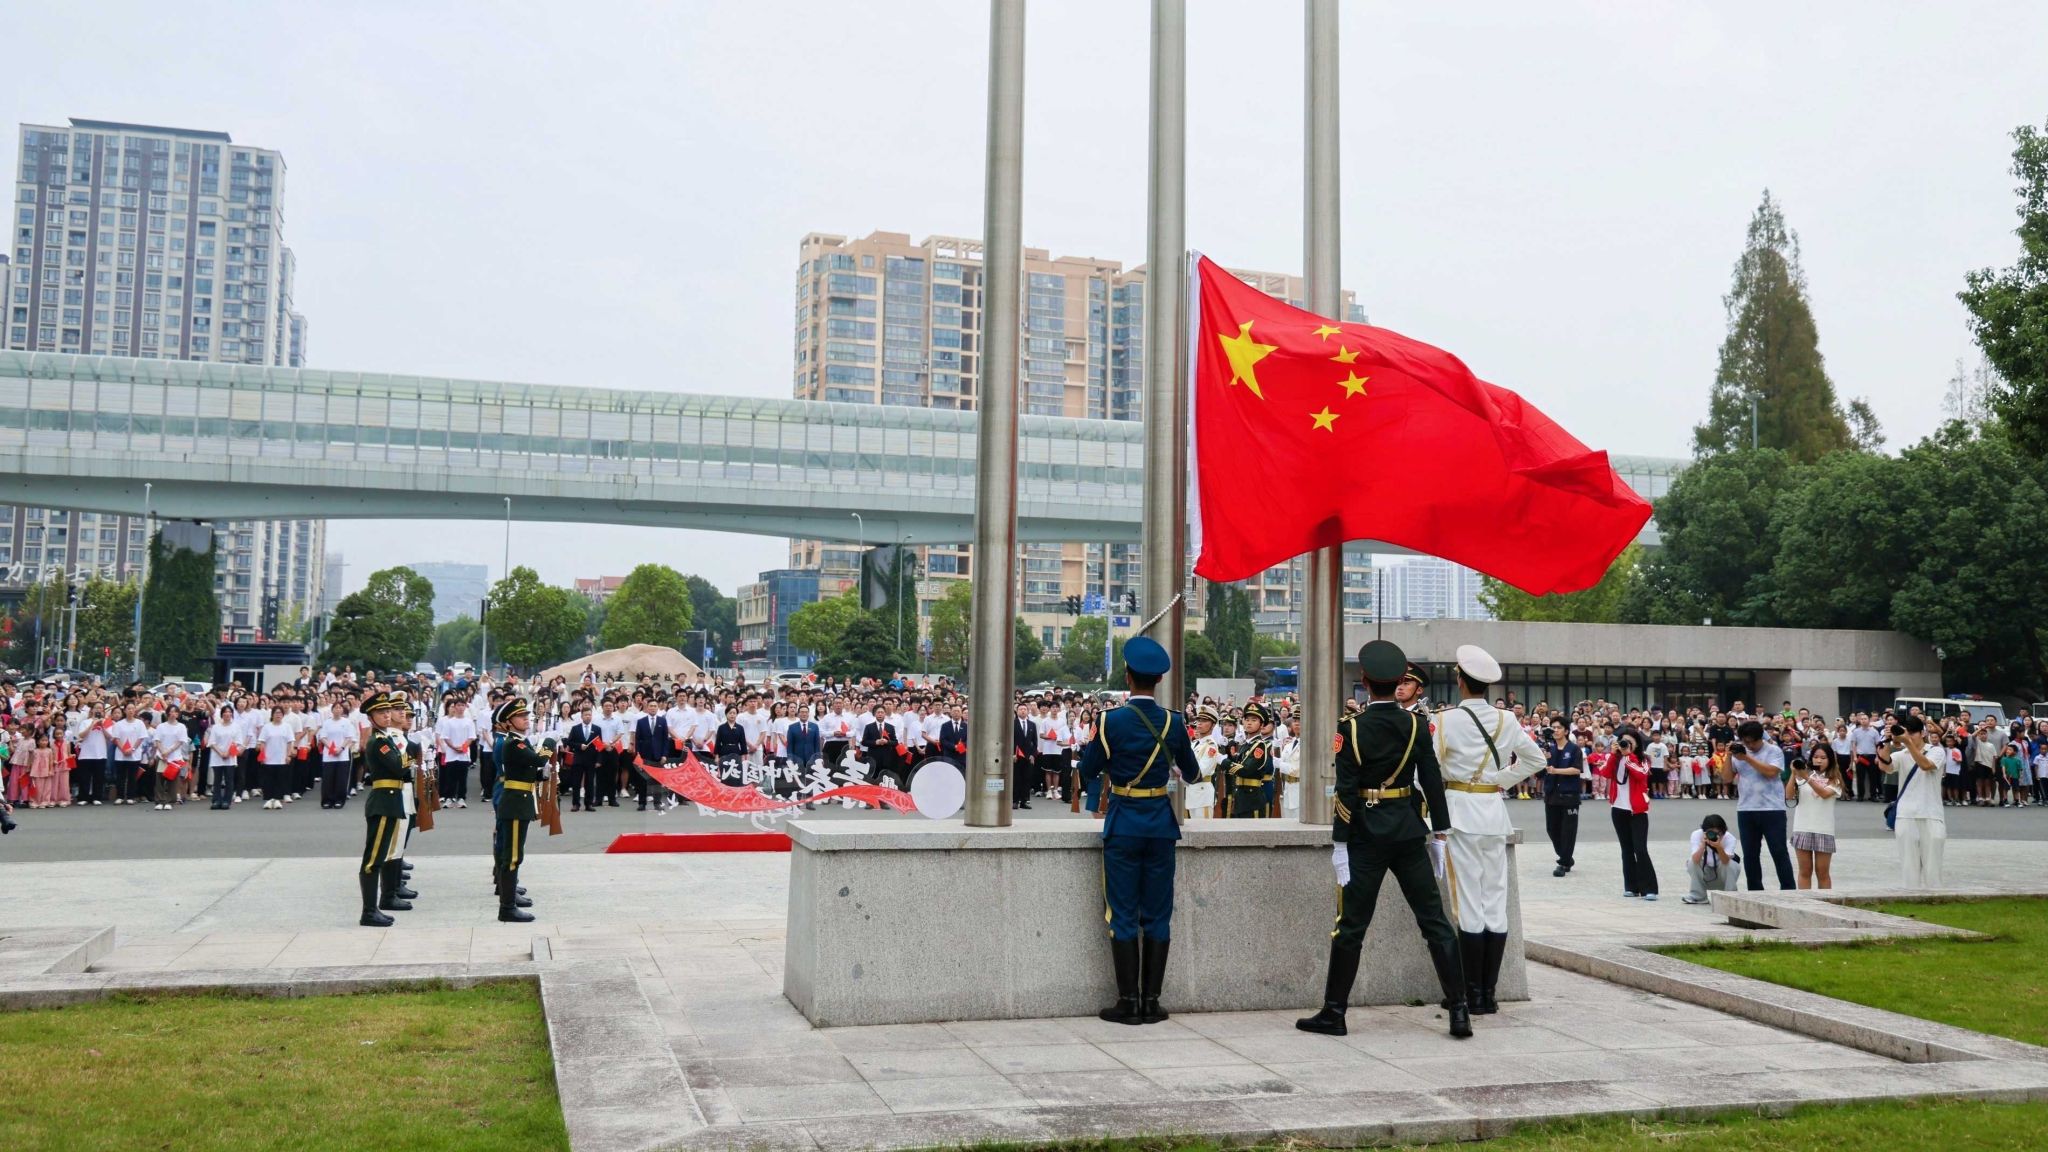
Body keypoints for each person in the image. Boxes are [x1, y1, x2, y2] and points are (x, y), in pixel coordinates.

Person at [1298, 640, 1470, 1041]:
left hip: (1366, 836)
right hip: (1408, 831)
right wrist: (1439, 832)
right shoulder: (1417, 725)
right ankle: (1459, 1010)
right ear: (1397, 683)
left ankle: (1335, 1012)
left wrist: (1340, 843)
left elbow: (1346, 791)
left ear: (1364, 681)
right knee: (1435, 922)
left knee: (1350, 927)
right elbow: (1431, 780)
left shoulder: (1351, 728)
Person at [1080, 636, 1201, 1027]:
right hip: (1161, 825)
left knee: (1122, 914)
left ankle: (1128, 1002)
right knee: (1158, 914)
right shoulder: (1174, 722)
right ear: (1159, 680)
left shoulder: (1109, 721)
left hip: (1124, 824)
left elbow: (1088, 769)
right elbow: (1193, 773)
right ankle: (1152, 1002)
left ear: (1127, 676)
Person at [1433, 644, 1547, 1014]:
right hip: (1493, 814)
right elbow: (1535, 759)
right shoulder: (1506, 720)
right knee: (1495, 901)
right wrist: (1500, 779)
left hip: (1460, 813)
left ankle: (1472, 994)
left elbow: (1429, 769)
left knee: (1468, 902)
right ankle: (1489, 993)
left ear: (1460, 681)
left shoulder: (1446, 720)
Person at [357, 692, 414, 927]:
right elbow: (398, 766)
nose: (387, 715)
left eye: (388, 711)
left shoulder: (386, 738)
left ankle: (373, 909)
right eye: (381, 712)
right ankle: (369, 911)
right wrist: (413, 753)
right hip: (382, 801)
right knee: (373, 859)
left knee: (380, 856)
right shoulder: (379, 741)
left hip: (391, 800)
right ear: (371, 717)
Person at [1722, 719, 1794, 890]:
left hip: (1772, 809)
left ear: (1761, 737)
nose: (1748, 745)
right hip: (1746, 809)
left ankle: (1788, 889)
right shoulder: (1738, 752)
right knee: (1750, 854)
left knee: (1778, 851)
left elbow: (1771, 772)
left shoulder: (1774, 751)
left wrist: (1746, 758)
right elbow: (1726, 778)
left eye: (1751, 742)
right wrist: (1729, 756)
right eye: (1745, 742)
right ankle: (1755, 891)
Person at [492, 698, 543, 923]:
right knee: (512, 856)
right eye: (520, 716)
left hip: (519, 803)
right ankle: (507, 907)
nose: (526, 719)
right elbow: (538, 760)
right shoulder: (513, 743)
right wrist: (549, 743)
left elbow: (528, 770)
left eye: (526, 715)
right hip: (514, 804)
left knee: (513, 855)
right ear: (508, 722)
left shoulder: (519, 741)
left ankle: (509, 901)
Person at [1891, 713, 1945, 888]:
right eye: (1906, 732)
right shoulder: (1901, 754)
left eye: (1912, 733)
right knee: (1909, 868)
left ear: (1922, 733)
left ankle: (1935, 898)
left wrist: (1907, 743)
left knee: (1933, 869)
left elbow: (1926, 765)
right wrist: (1885, 744)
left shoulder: (1936, 751)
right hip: (1905, 815)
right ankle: (1909, 897)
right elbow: (1886, 766)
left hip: (1931, 814)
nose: (1909, 736)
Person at [1604, 729, 1657, 899]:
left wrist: (1628, 756)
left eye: (1629, 742)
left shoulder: (1644, 759)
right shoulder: (1615, 757)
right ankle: (1631, 887)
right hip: (1618, 808)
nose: (1625, 744)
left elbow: (1641, 775)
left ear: (1637, 744)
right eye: (1622, 741)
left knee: (1640, 849)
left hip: (1638, 810)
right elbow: (1605, 773)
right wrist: (1614, 755)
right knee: (1626, 849)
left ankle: (1649, 888)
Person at [1789, 748, 1844, 889]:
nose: (1819, 760)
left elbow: (1824, 794)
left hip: (1823, 829)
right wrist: (1794, 773)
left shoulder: (1835, 780)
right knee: (1804, 871)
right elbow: (1788, 796)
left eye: (1823, 758)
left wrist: (1807, 778)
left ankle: (1826, 900)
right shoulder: (1802, 777)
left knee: (1822, 873)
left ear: (1830, 760)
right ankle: (1804, 900)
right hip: (1802, 827)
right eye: (1816, 757)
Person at [1541, 718, 1584, 877]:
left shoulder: (1574, 749)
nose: (1555, 730)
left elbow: (1576, 770)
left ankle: (1563, 862)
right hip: (1551, 795)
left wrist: (1556, 771)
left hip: (1569, 795)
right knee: (1552, 829)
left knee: (1568, 831)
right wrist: (1543, 759)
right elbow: (1541, 773)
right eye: (1553, 728)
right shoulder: (1549, 749)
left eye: (1559, 727)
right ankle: (1566, 857)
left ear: (1566, 731)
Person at [1222, 703, 1276, 818]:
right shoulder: (1245, 745)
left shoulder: (1260, 746)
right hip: (1241, 796)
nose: (1249, 723)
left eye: (1254, 720)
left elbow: (1247, 770)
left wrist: (1223, 761)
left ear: (1262, 724)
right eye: (1246, 720)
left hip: (1252, 798)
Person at [1682, 813, 1740, 904]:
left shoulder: (1730, 838)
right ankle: (1699, 897)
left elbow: (1726, 862)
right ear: (1704, 831)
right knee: (1691, 862)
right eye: (1711, 833)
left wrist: (1719, 847)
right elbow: (1695, 860)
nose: (1715, 836)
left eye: (1718, 833)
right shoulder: (1697, 834)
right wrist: (1703, 845)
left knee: (1731, 864)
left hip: (1722, 877)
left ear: (1724, 831)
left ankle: (1730, 897)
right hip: (1706, 875)